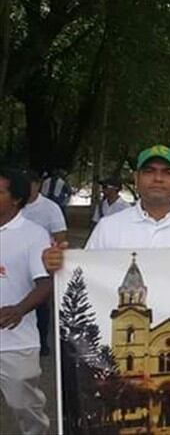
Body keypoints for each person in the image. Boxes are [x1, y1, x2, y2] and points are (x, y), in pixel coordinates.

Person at [0, 168, 53, 435]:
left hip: (15, 340)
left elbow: (45, 283)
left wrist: (19, 309)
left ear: (16, 198)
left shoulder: (33, 235)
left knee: (25, 406)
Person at [21, 170, 66, 356]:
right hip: (17, 262)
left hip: (41, 262)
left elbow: (61, 237)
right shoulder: (15, 205)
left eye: (30, 184)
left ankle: (42, 340)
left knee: (40, 302)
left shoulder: (50, 208)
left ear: (38, 185)